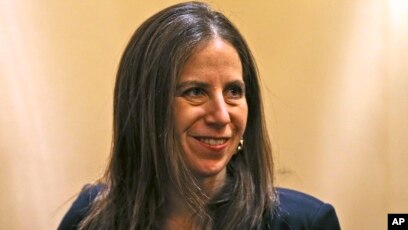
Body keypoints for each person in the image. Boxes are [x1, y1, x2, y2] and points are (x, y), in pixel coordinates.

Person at [58, 1, 341, 229]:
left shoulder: (305, 222)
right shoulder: (90, 217)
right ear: (147, 108)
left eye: (233, 92)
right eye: (195, 92)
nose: (221, 116)